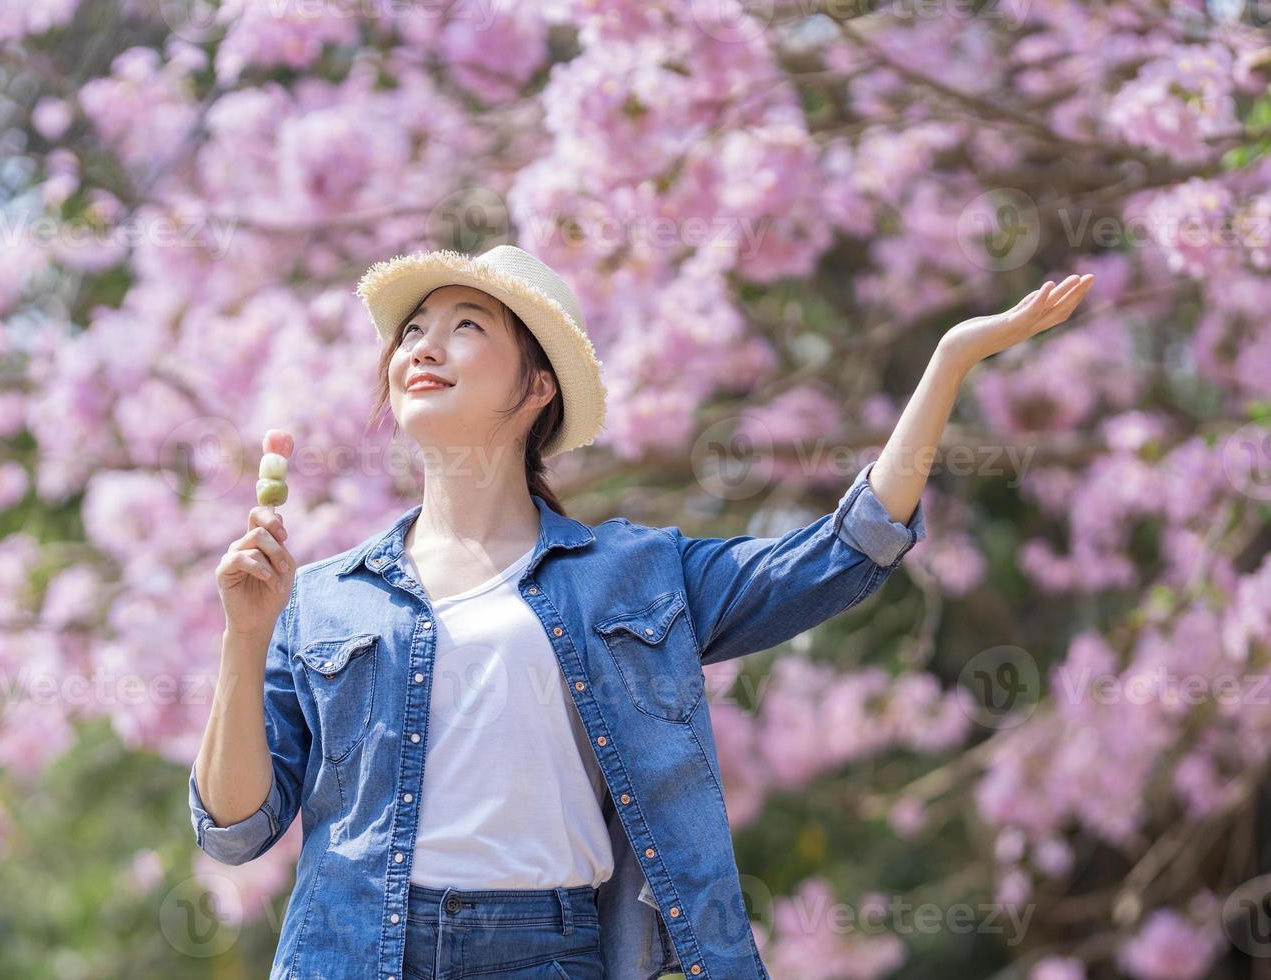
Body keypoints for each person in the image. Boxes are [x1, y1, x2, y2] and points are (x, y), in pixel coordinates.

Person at [189, 243, 1095, 979]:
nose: (422, 346)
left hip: (549, 953)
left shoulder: (634, 575)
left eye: (466, 327)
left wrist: (948, 361)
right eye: (412, 330)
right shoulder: (321, 596)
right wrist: (246, 634)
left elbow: (840, 554)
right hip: (352, 956)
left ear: (537, 388)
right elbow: (234, 830)